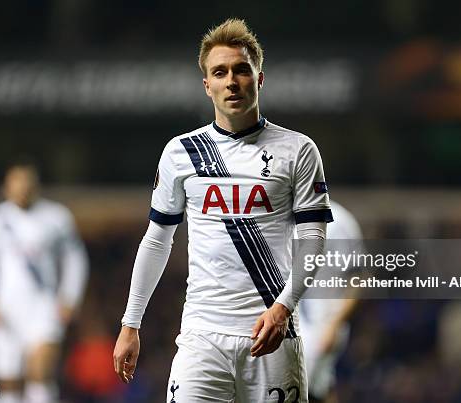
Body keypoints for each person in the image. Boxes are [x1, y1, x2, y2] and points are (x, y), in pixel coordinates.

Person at [113, 18, 333, 402]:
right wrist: (131, 323)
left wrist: (283, 308)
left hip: (274, 334)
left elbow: (313, 238)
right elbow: (157, 241)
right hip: (202, 336)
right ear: (207, 85)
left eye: (241, 70)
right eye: (220, 72)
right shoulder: (181, 153)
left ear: (259, 79)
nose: (231, 80)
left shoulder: (297, 149)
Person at [0, 162, 89, 403]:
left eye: (27, 182)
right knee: (9, 382)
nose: (22, 188)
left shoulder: (57, 217)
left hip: (44, 305)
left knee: (40, 373)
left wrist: (70, 297)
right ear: (6, 187)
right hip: (6, 310)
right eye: (16, 182)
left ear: (36, 185)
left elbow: (76, 259)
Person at [298, 200, 362, 403]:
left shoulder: (340, 220)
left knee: (305, 387)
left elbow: (358, 277)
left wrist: (334, 324)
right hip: (291, 320)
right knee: (317, 389)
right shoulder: (281, 214)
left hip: (321, 324)